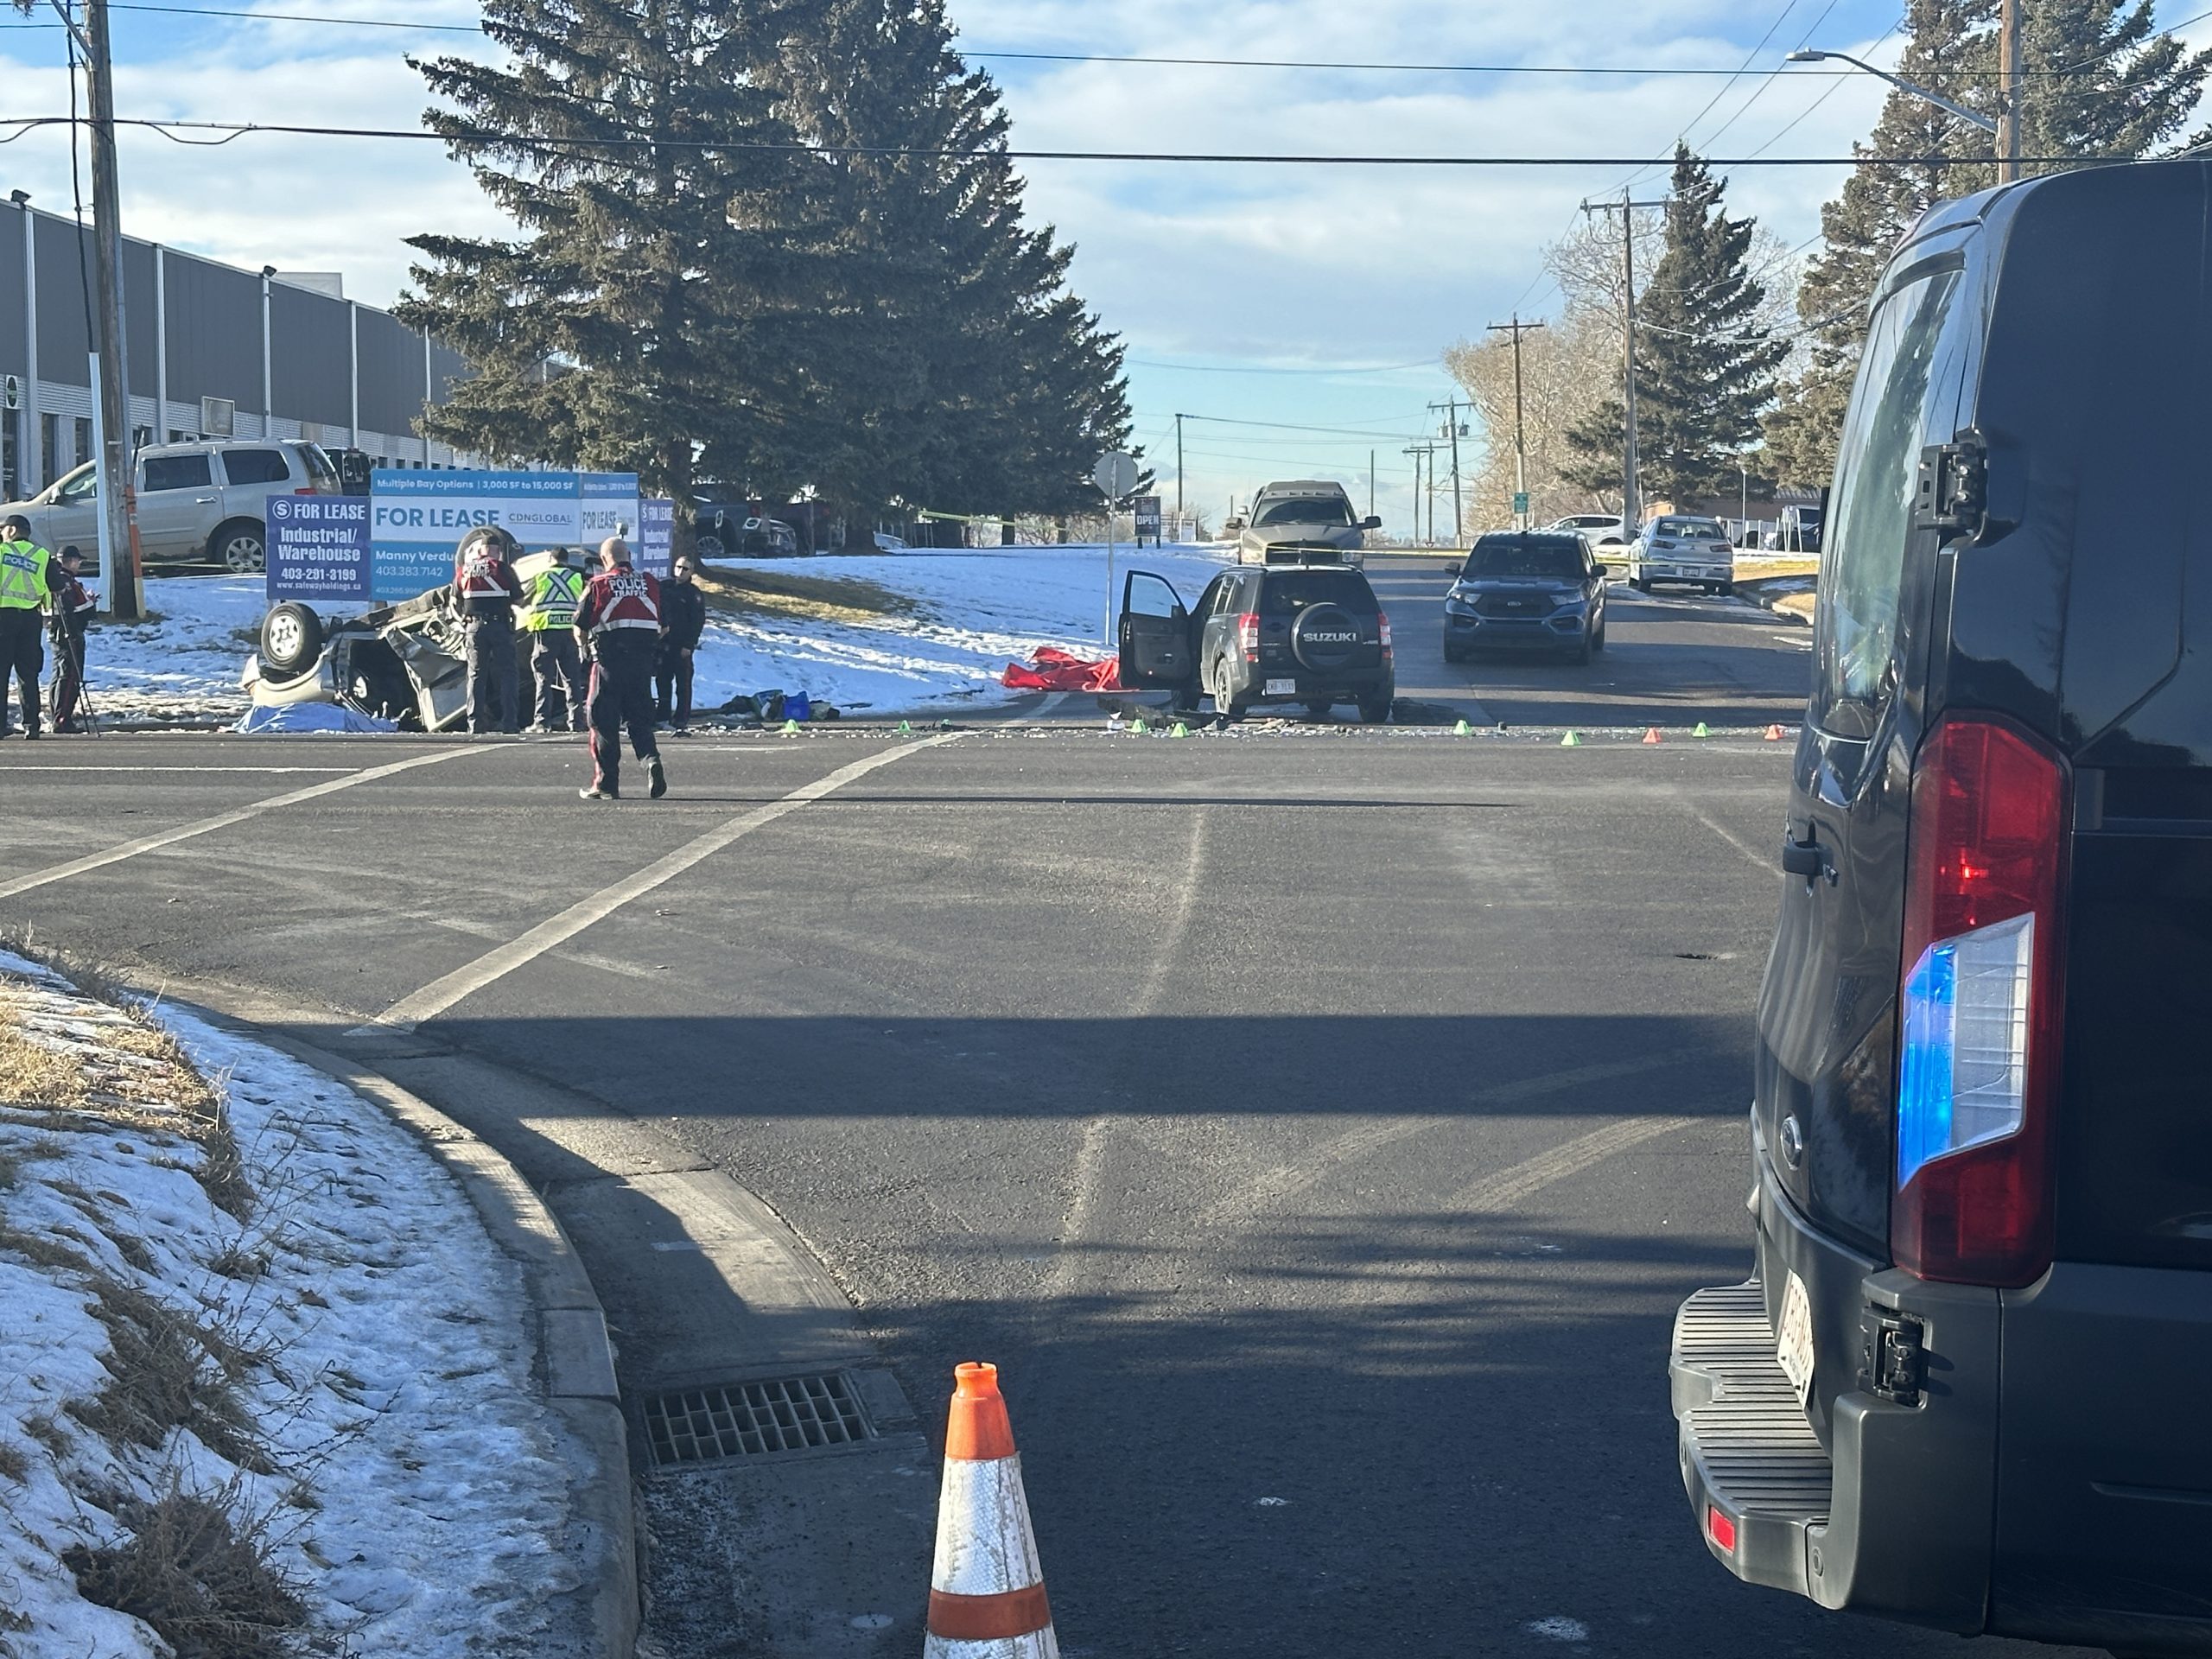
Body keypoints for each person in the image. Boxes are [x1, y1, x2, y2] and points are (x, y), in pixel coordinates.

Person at [573, 536, 667, 801]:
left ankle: (606, 784)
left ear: (605, 560)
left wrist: (583, 649)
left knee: (603, 723)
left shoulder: (599, 584)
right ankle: (650, 761)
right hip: (641, 666)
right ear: (628, 556)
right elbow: (664, 626)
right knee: (639, 721)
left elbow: (580, 625)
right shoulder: (650, 584)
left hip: (609, 665)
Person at [453, 524, 524, 734]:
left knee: (475, 675)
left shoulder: (464, 571)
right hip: (500, 626)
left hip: (474, 628)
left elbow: (455, 599)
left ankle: (474, 723)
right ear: (497, 550)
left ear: (480, 550)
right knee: (508, 674)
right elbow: (519, 599)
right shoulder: (502, 568)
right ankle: (510, 723)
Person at [0, 513, 54, 740]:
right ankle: (32, 725)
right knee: (28, 673)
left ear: (11, 530)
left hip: (4, 616)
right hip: (31, 619)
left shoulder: (2, 551)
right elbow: (53, 588)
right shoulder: (42, 555)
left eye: (2, 529)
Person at [522, 546, 588, 733]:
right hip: (570, 633)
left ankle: (542, 722)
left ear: (551, 559)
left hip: (546, 632)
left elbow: (523, 600)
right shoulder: (577, 578)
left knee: (544, 679)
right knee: (572, 679)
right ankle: (576, 722)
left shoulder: (540, 577)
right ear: (567, 561)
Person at [45, 547, 97, 734]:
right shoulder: (67, 582)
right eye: (78, 561)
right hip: (70, 632)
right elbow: (79, 610)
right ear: (71, 560)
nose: (79, 565)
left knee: (58, 675)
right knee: (70, 677)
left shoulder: (52, 578)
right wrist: (91, 601)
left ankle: (57, 715)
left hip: (54, 631)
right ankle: (62, 719)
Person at [655, 554, 706, 733]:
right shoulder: (664, 587)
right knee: (663, 681)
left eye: (685, 569)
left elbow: (697, 622)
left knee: (683, 683)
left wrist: (689, 645)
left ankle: (682, 717)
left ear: (691, 572)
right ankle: (662, 714)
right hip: (664, 643)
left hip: (682, 644)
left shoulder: (693, 594)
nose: (680, 571)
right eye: (678, 567)